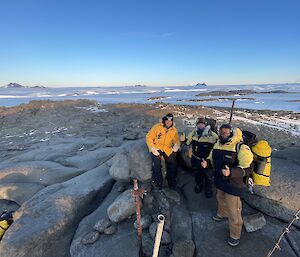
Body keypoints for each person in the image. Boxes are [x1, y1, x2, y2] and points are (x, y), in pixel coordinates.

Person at [201, 124, 253, 246]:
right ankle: (222, 214)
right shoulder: (217, 144)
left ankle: (235, 234)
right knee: (220, 198)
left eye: (226, 131)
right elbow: (211, 158)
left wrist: (231, 172)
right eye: (222, 131)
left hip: (233, 184)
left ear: (231, 132)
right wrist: (206, 163)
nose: (224, 132)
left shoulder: (240, 147)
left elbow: (248, 168)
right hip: (220, 180)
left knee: (234, 210)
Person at [146, 113, 180, 190]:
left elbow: (176, 140)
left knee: (172, 163)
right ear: (164, 120)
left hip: (167, 149)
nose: (169, 122)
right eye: (167, 120)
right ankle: (157, 184)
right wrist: (152, 148)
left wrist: (177, 145)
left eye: (171, 120)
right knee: (156, 165)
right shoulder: (157, 127)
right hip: (157, 147)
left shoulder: (174, 130)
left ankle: (171, 182)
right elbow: (149, 137)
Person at [186, 117, 218, 197]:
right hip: (196, 158)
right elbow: (187, 141)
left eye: (202, 124)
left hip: (207, 160)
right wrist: (183, 140)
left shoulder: (212, 135)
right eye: (199, 124)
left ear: (205, 125)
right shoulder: (194, 133)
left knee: (208, 175)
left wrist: (207, 160)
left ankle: (208, 189)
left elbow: (217, 148)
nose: (200, 126)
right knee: (198, 173)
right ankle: (199, 184)